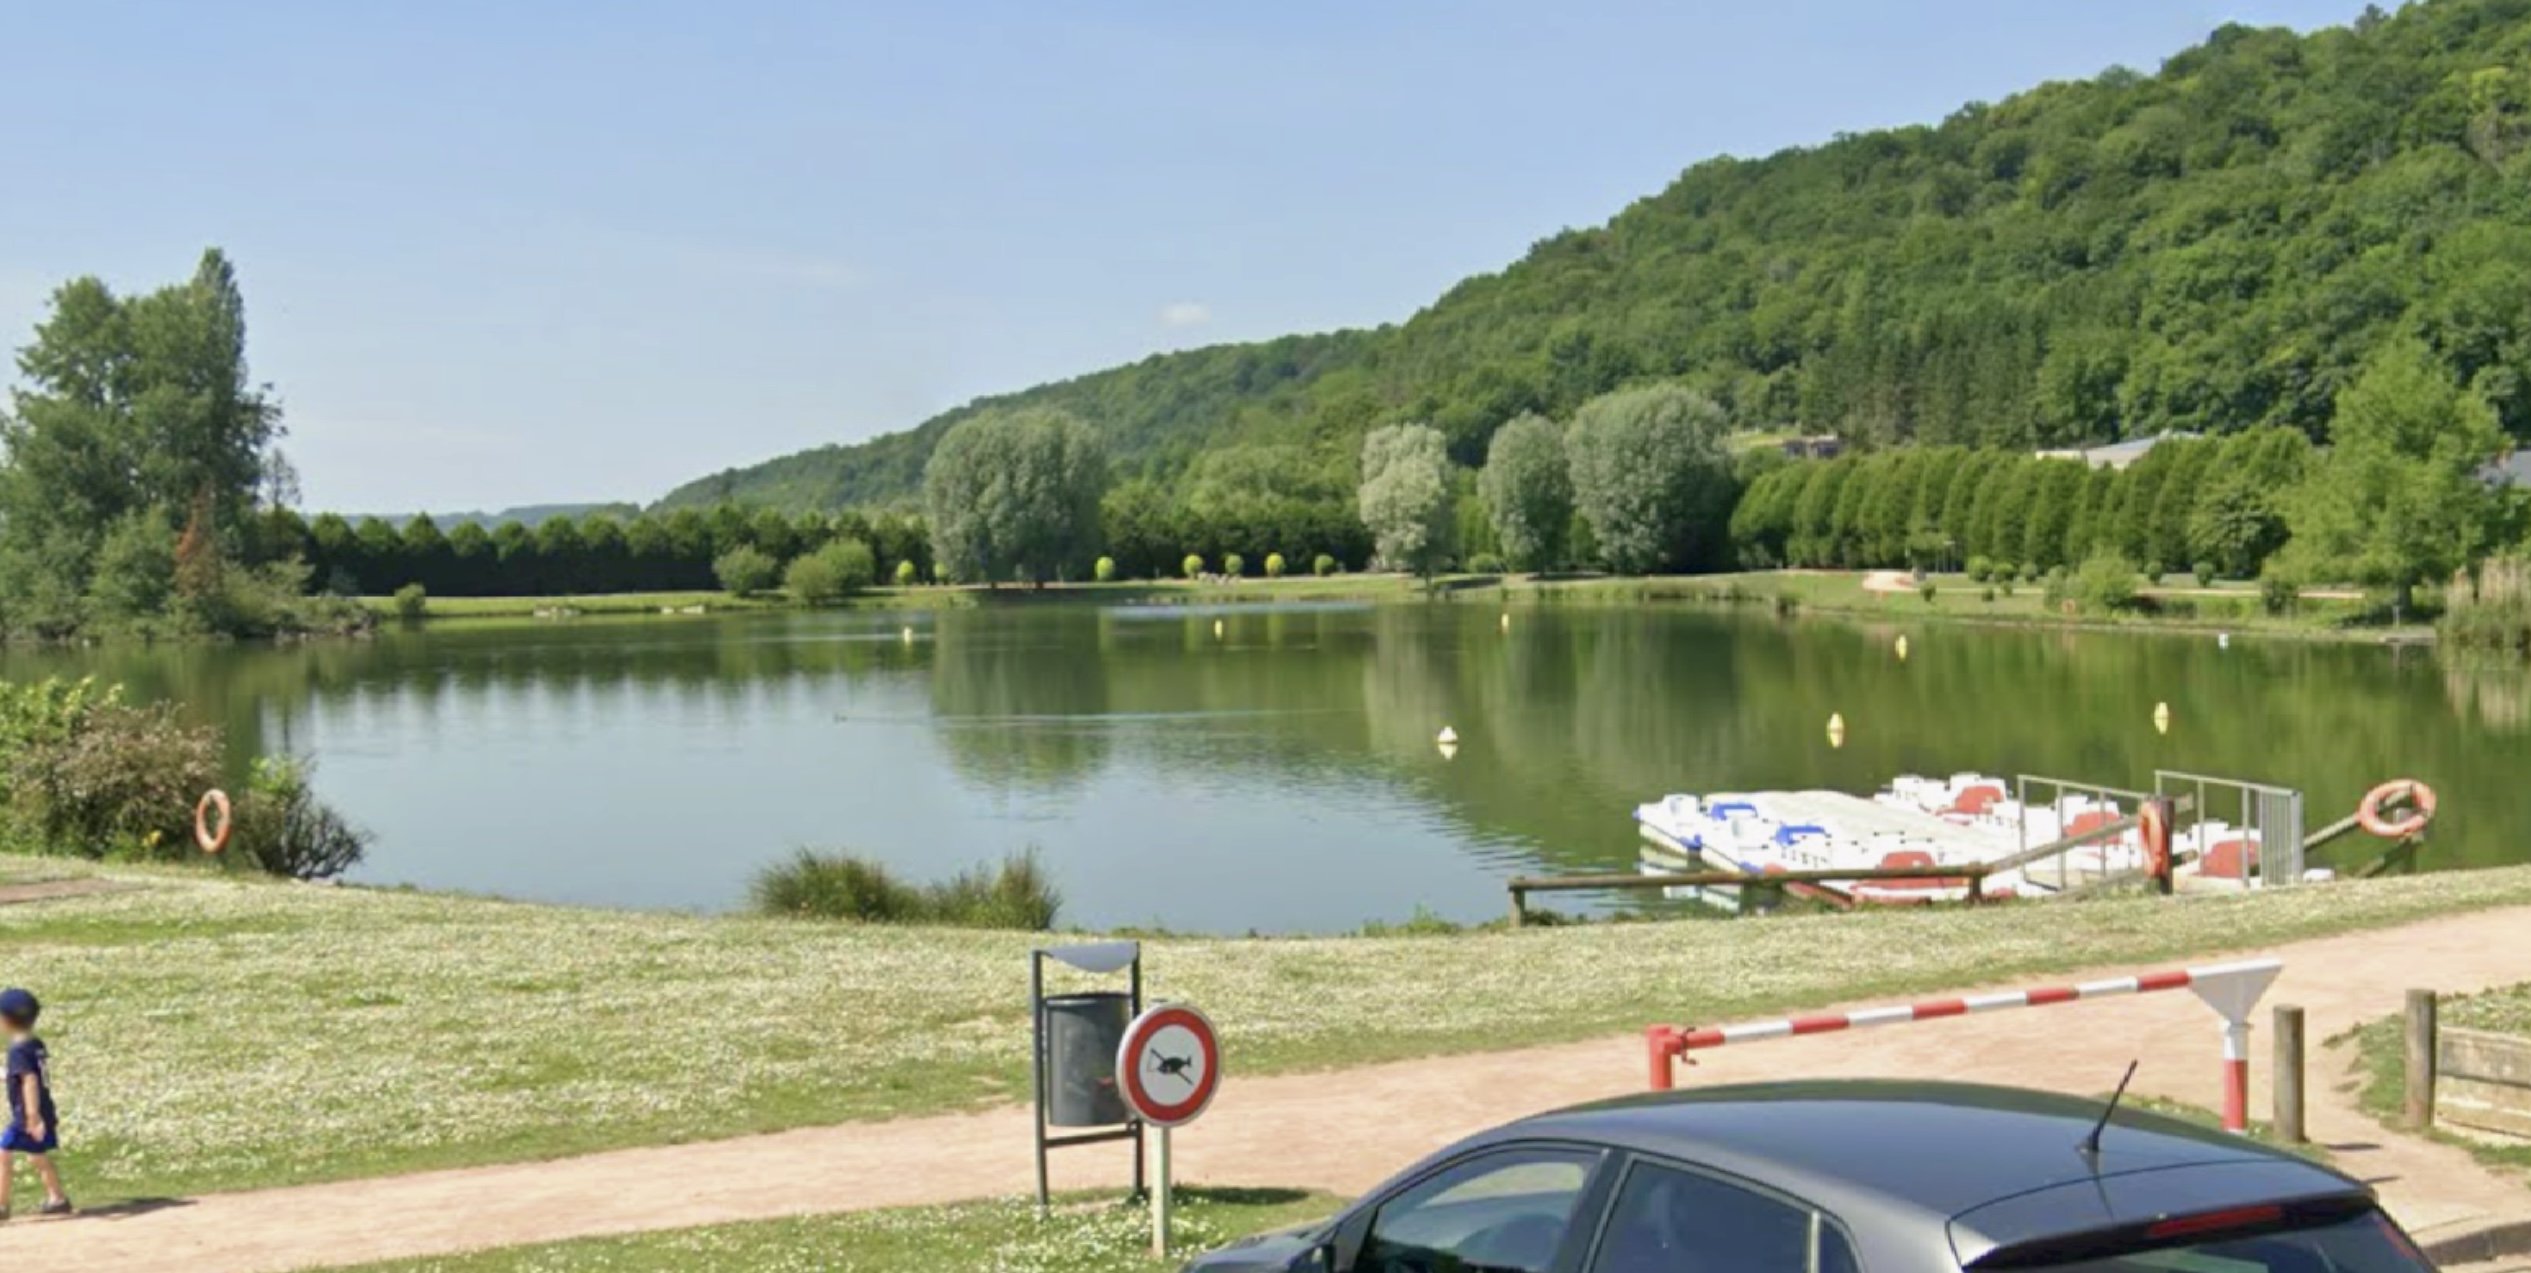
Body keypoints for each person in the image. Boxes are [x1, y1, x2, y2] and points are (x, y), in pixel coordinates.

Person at [0, 988, 69, 1219]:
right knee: (36, 1155)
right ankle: (56, 1198)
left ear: (7, 1019)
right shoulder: (33, 1043)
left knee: (3, 1152)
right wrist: (6, 1074)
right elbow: (27, 1073)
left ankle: (1, 1205)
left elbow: (28, 1079)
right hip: (43, 1110)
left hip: (28, 1115)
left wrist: (32, 1116)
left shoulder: (17, 1049)